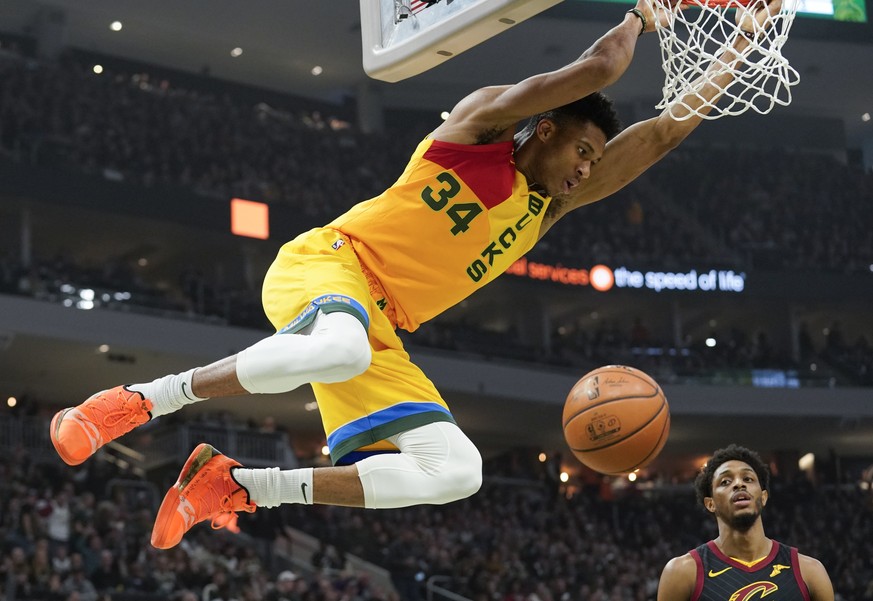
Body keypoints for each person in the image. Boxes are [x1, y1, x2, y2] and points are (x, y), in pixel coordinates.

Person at [50, 0, 783, 550]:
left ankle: (238, 486)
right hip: (328, 264)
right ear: (548, 128)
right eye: (583, 151)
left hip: (379, 326)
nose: (588, 170)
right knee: (341, 347)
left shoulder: (543, 211)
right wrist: (641, 16)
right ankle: (138, 401)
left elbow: (660, 133)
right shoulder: (473, 131)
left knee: (454, 469)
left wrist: (736, 47)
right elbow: (593, 72)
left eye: (596, 162)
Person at [656, 444, 834, 601]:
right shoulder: (682, 573)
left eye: (748, 479)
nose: (739, 484)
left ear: (763, 497)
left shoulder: (810, 572)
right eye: (725, 481)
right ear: (710, 504)